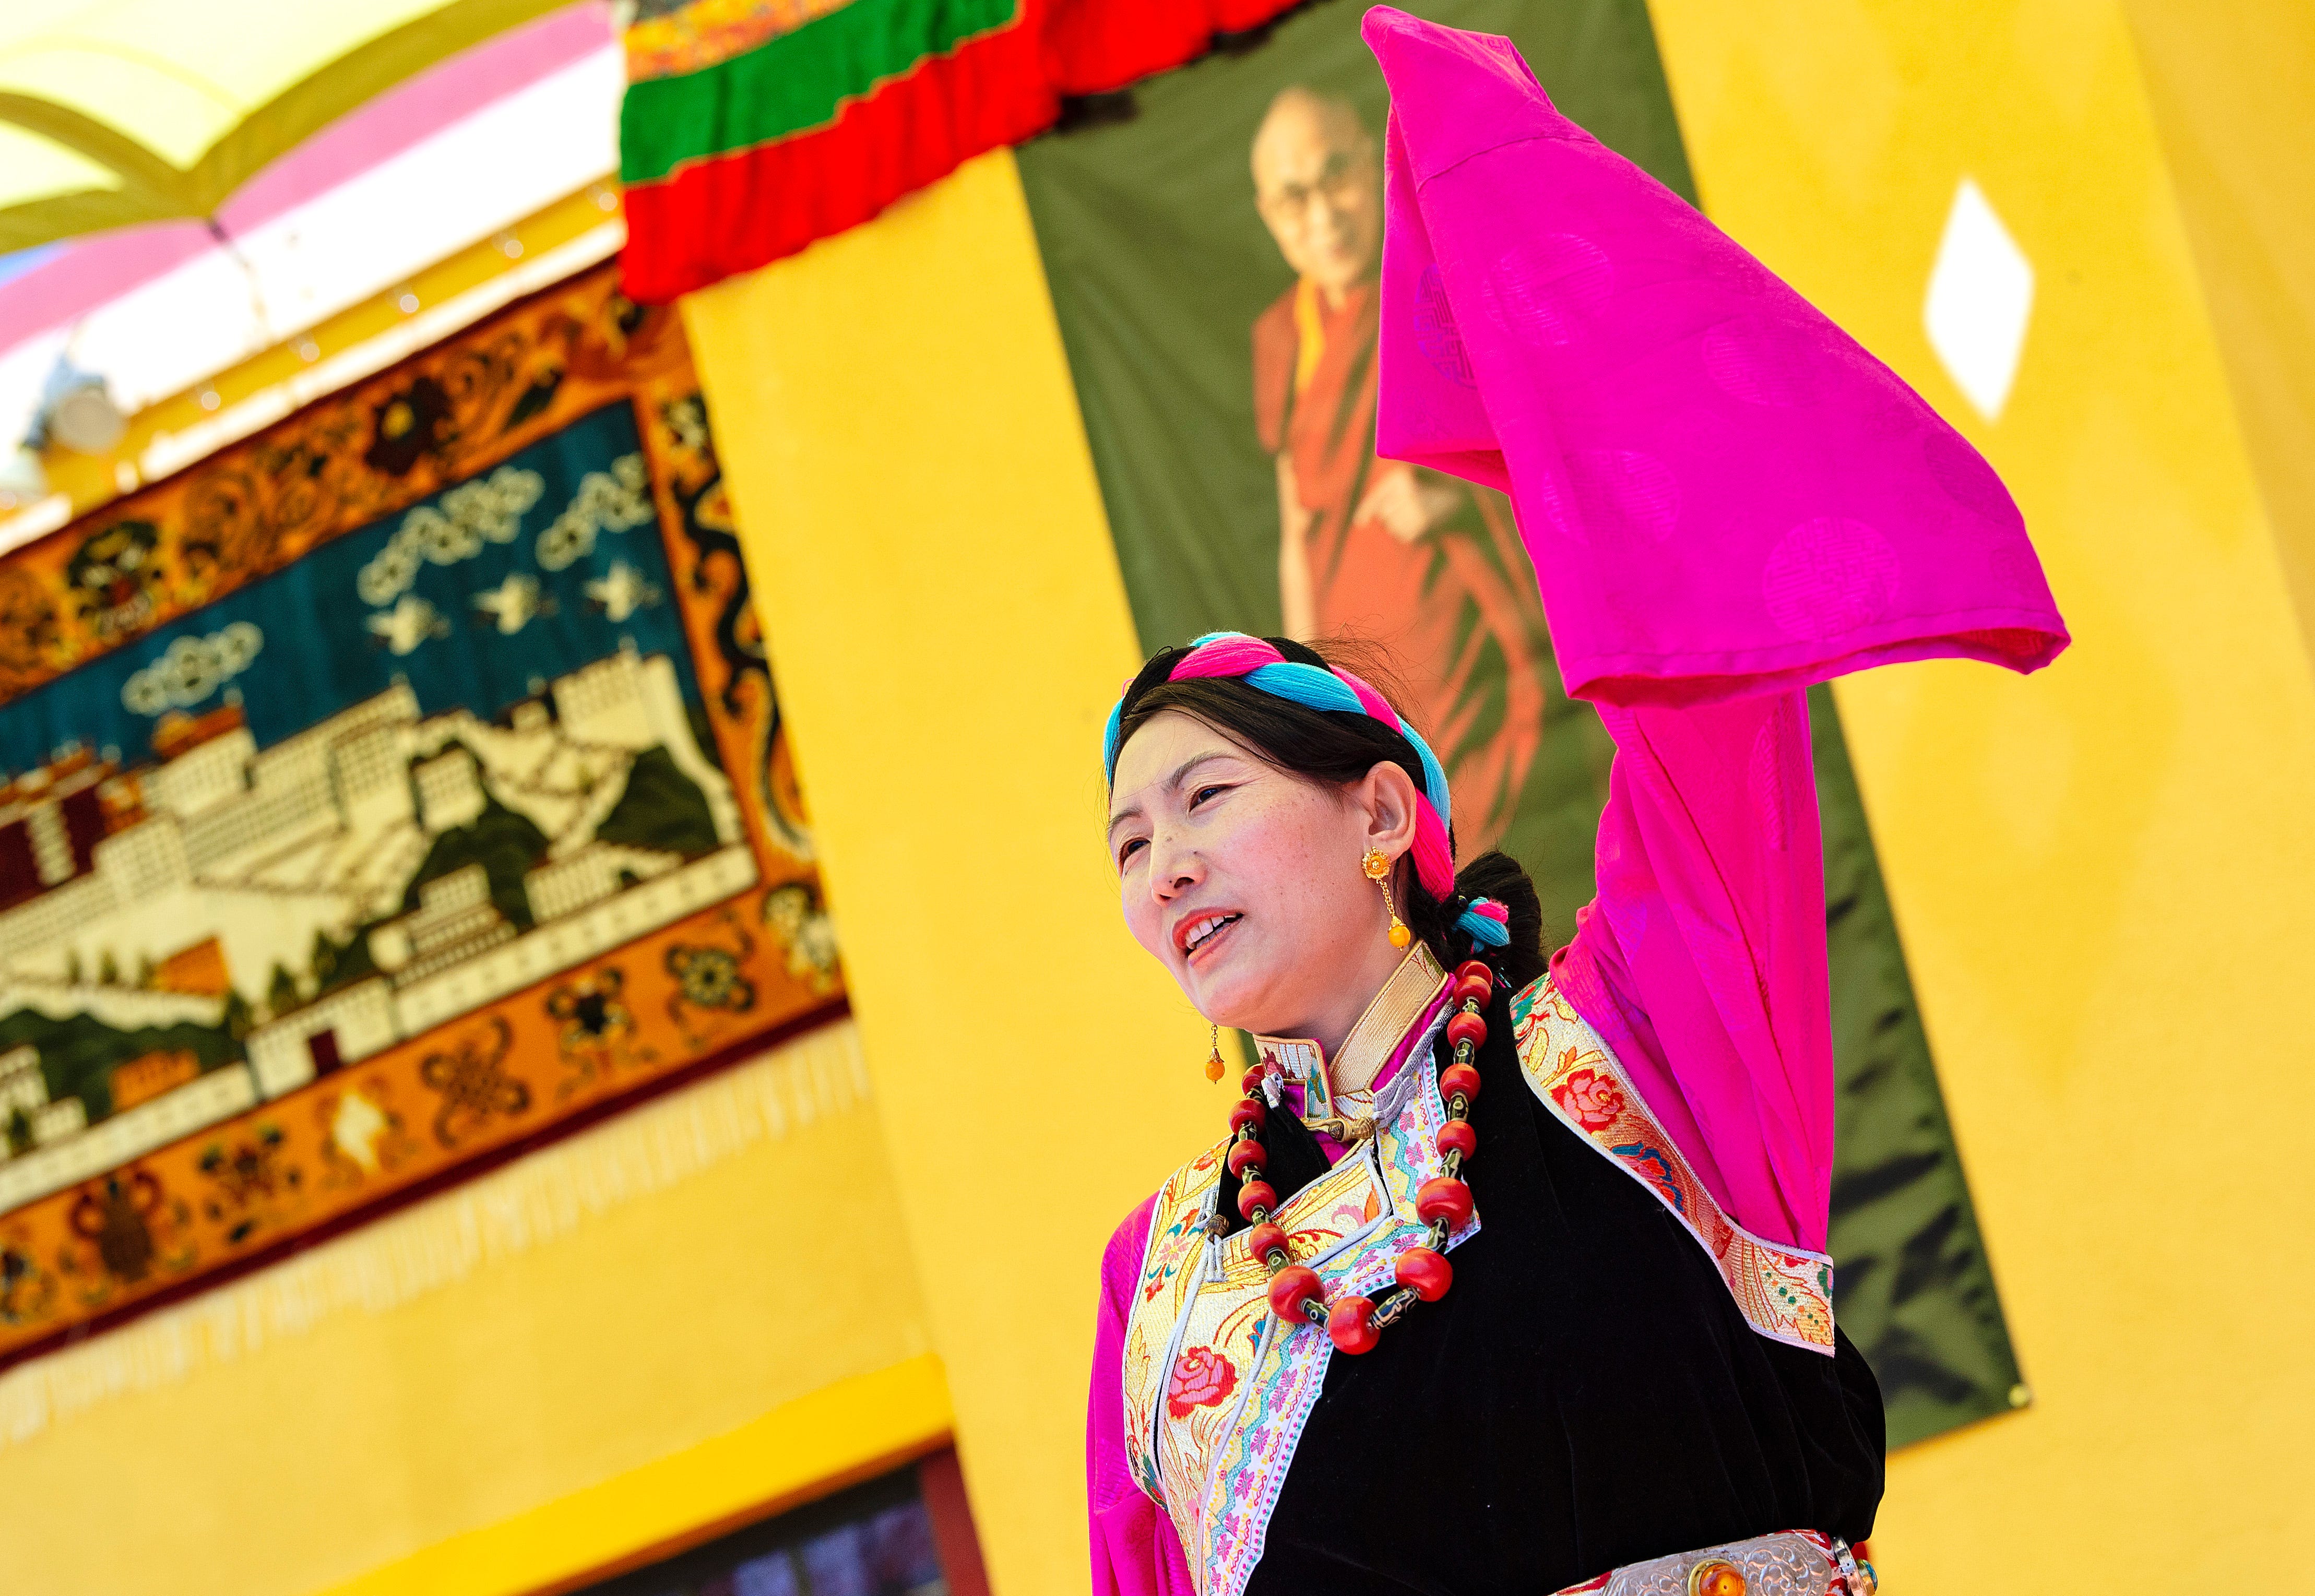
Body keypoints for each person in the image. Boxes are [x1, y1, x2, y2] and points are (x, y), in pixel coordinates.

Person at [1087, 11, 2069, 1596]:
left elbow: (1704, 699)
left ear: (1382, 814)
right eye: (1130, 844)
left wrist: (1509, 224)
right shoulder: (1160, 1287)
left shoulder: (1639, 1039)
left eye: (1204, 794)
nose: (1164, 864)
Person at [1251, 85, 1557, 857]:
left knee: (1508, 840)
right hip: (1367, 670)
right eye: (1295, 199)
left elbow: (1544, 427)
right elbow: (1297, 527)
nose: (1324, 217)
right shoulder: (1287, 338)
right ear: (1267, 215)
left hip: (1468, 636)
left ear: (1373, 160)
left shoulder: (1440, 273)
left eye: (1337, 178)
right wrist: (1308, 678)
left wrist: (1452, 495)